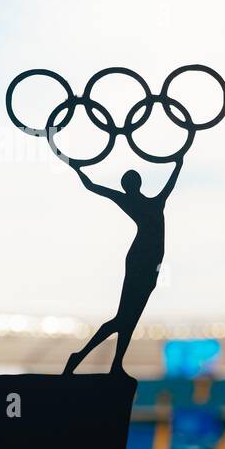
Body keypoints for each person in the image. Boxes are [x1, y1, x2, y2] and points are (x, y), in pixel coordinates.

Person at [63, 156, 182, 375]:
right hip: (141, 262)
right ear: (136, 184)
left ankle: (116, 364)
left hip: (149, 264)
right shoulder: (150, 202)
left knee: (130, 318)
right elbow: (93, 187)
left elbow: (91, 185)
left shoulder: (143, 201)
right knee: (123, 317)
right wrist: (178, 162)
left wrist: (76, 167)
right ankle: (82, 357)